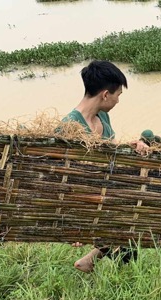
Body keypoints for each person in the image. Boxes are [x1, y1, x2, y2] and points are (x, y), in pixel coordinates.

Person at [61, 60, 135, 273]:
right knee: (126, 239)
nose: (118, 101)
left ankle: (92, 261)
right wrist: (74, 222)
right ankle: (119, 280)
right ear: (105, 95)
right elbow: (64, 179)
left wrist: (129, 147)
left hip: (110, 190)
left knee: (127, 233)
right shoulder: (69, 128)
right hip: (89, 196)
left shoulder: (103, 116)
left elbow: (108, 151)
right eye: (118, 95)